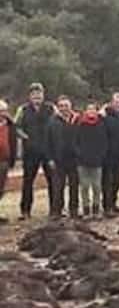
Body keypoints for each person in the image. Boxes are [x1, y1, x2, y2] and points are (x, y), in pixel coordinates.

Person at [15, 82, 55, 220]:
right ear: (29, 96)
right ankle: (25, 211)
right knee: (28, 182)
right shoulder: (23, 109)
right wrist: (25, 137)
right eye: (34, 94)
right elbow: (16, 127)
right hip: (30, 151)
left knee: (53, 180)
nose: (37, 96)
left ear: (43, 95)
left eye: (39, 93)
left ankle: (55, 209)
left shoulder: (51, 108)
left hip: (48, 151)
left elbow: (58, 122)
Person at [74, 99, 107, 219]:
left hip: (97, 161)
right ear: (85, 111)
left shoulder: (101, 124)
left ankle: (96, 209)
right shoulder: (80, 124)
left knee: (97, 187)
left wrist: (101, 156)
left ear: (97, 111)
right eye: (89, 109)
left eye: (93, 109)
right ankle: (86, 210)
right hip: (82, 161)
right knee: (84, 186)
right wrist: (79, 154)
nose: (91, 111)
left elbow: (104, 142)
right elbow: (75, 142)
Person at [47, 95, 79, 218]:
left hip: (75, 159)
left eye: (66, 105)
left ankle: (74, 210)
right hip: (58, 159)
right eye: (61, 106)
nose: (64, 108)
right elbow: (47, 141)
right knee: (58, 187)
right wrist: (50, 158)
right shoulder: (52, 121)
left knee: (74, 186)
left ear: (71, 106)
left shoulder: (77, 119)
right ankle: (57, 211)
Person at [102, 91, 119, 215]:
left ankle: (113, 203)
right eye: (117, 102)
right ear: (111, 102)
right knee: (108, 182)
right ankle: (107, 207)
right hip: (107, 155)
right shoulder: (104, 116)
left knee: (118, 181)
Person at [0, 99, 17, 222]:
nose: (2, 113)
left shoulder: (10, 125)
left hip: (4, 161)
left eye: (4, 110)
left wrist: (12, 159)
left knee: (1, 189)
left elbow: (13, 142)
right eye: (0, 111)